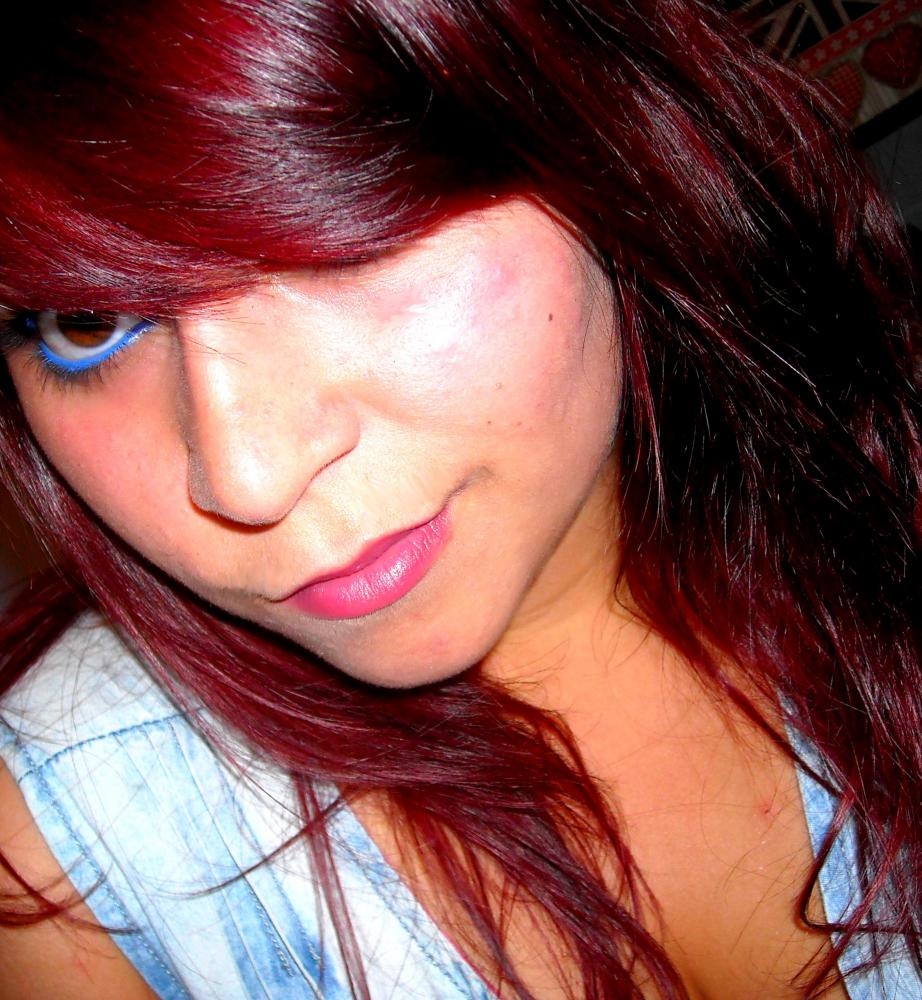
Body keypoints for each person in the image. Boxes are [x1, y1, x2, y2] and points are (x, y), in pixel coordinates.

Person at [0, 1, 918, 997]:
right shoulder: (70, 867)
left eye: (342, 225)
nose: (248, 479)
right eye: (86, 320)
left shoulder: (884, 495)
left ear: (597, 128)